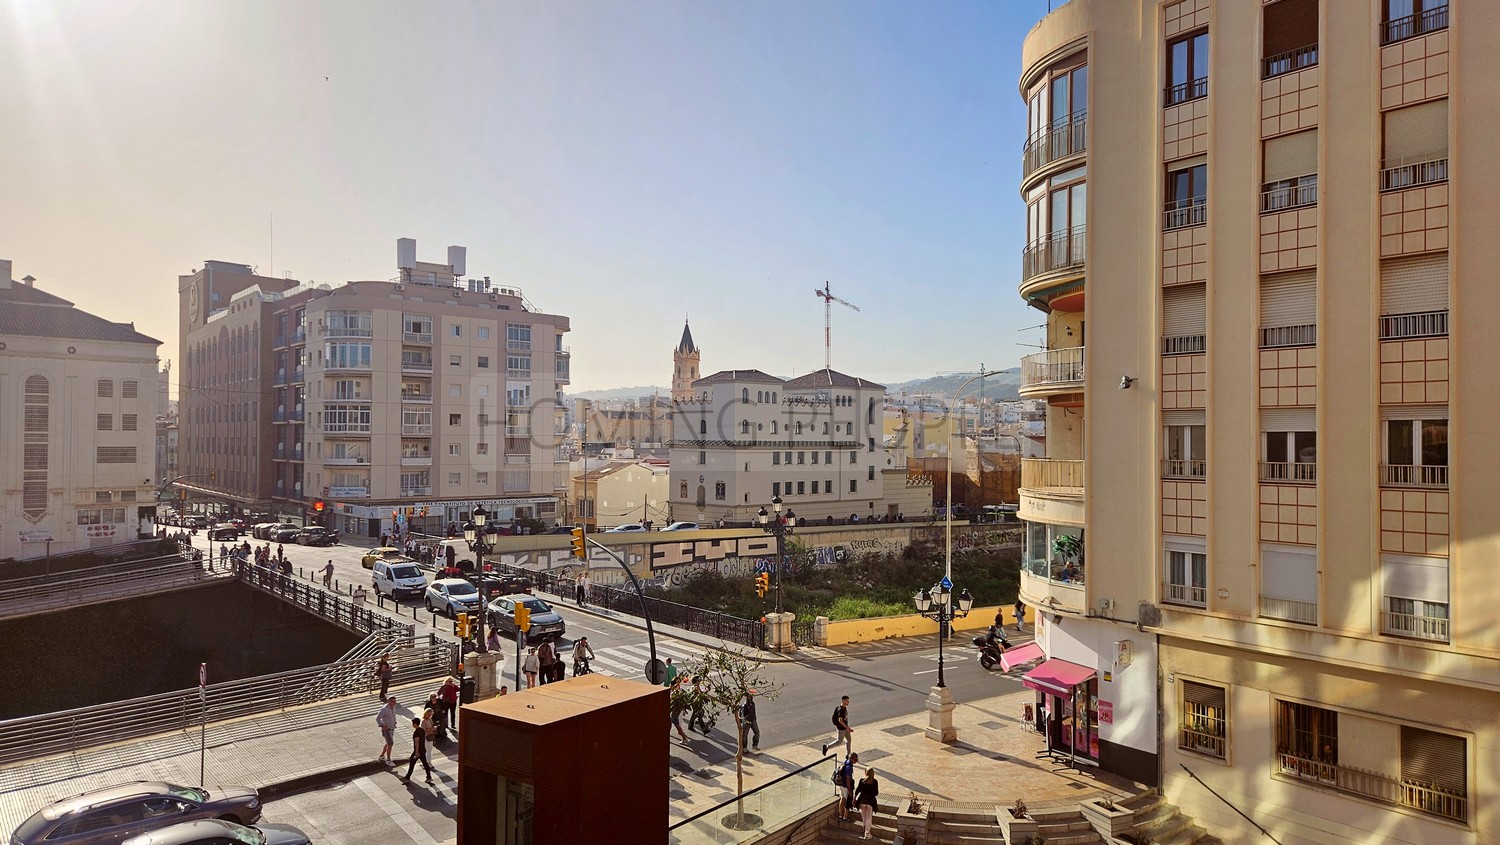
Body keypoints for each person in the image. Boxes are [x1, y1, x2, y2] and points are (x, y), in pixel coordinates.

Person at [400, 716, 433, 785]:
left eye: (413, 723)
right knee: (425, 763)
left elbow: (417, 742)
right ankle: (429, 777)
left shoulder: (416, 733)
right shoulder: (422, 730)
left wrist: (417, 752)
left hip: (418, 751)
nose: (412, 724)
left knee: (412, 763)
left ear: (415, 724)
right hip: (423, 749)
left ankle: (407, 778)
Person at [854, 768, 880, 839]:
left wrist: (854, 798)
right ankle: (867, 833)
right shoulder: (874, 781)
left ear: (865, 772)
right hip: (870, 801)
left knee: (864, 815)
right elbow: (876, 793)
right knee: (869, 817)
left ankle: (864, 826)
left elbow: (858, 790)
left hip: (862, 800)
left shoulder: (862, 780)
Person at [836, 752, 859, 821]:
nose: (856, 761)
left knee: (842, 799)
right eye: (855, 759)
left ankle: (840, 815)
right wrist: (850, 791)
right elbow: (848, 781)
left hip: (841, 785)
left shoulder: (846, 762)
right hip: (846, 786)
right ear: (851, 759)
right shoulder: (849, 768)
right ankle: (845, 817)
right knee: (848, 801)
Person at [668, 675, 691, 744]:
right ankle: (684, 737)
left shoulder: (677, 691)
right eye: (677, 682)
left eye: (679, 682)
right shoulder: (674, 689)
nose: (678, 684)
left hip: (674, 710)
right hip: (674, 710)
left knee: (675, 724)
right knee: (673, 724)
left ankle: (684, 738)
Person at [376, 696, 398, 765]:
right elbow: (378, 718)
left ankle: (382, 755)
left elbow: (393, 716)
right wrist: (382, 725)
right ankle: (388, 759)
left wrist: (394, 723)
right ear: (389, 701)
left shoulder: (393, 708)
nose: (395, 703)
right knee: (390, 743)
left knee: (388, 743)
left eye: (395, 701)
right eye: (393, 701)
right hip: (387, 729)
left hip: (392, 728)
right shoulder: (384, 709)